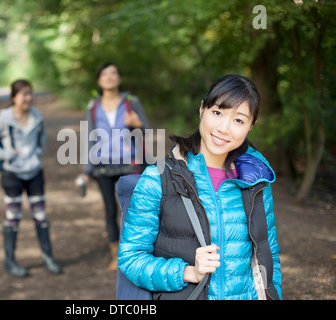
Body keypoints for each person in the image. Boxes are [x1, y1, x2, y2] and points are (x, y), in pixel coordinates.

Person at [118, 74, 282, 299]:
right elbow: (131, 258)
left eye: (239, 120)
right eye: (217, 113)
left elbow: (269, 255)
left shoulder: (257, 180)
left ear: (251, 126)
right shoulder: (159, 178)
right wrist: (187, 272)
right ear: (202, 109)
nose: (224, 128)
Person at [0, 79, 62, 276]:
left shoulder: (37, 116)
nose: (28, 98)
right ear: (13, 97)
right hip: (12, 175)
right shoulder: (3, 119)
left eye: (30, 93)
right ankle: (10, 262)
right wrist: (5, 154)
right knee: (13, 218)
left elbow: (42, 137)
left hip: (35, 174)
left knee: (41, 217)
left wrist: (37, 152)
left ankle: (48, 258)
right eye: (23, 94)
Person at [76, 62, 150, 270]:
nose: (109, 77)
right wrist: (86, 172)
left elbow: (147, 130)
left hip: (131, 163)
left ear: (119, 78)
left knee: (134, 209)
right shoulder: (92, 106)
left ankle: (136, 253)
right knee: (110, 210)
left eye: (113, 73)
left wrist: (138, 125)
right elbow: (90, 139)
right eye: (105, 74)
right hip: (103, 165)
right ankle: (114, 255)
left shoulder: (131, 102)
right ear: (99, 80)